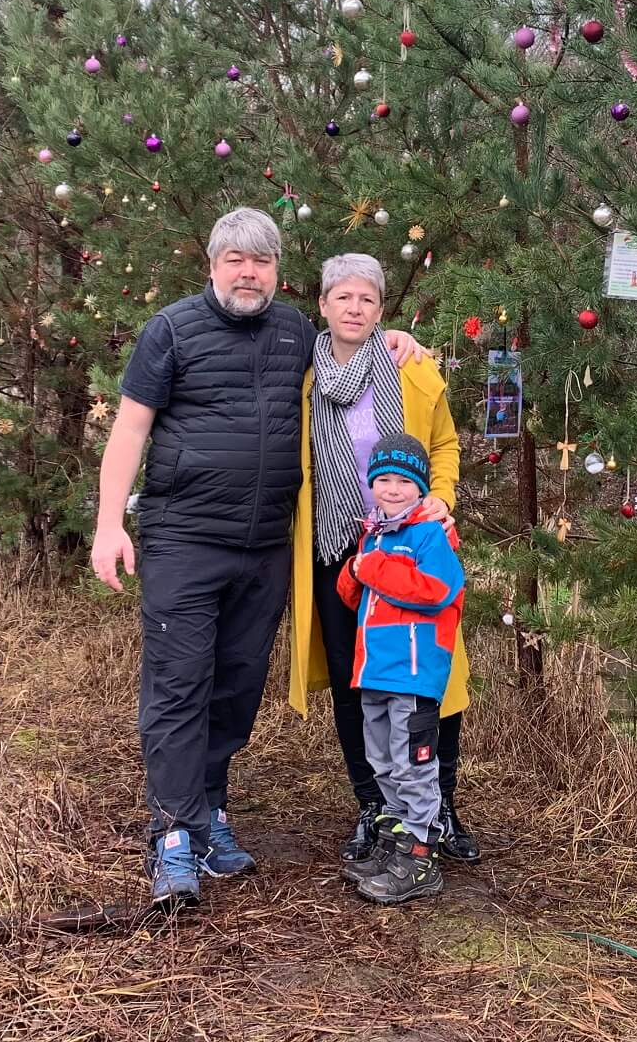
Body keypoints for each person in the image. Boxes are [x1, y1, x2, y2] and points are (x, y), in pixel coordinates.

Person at [88, 209, 434, 909]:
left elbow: (351, 350)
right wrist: (107, 524)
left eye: (262, 262)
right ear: (212, 264)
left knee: (238, 687)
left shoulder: (293, 337)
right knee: (180, 683)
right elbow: (130, 428)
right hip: (184, 538)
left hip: (265, 547)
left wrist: (398, 336)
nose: (249, 273)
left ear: (277, 272)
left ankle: (210, 809)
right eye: (235, 260)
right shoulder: (171, 331)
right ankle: (174, 831)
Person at [286, 254, 481, 864]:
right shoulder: (303, 377)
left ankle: (438, 806)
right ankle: (375, 805)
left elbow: (445, 443)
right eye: (342, 297)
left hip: (407, 544)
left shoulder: (411, 368)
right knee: (355, 680)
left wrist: (441, 499)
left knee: (429, 678)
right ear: (322, 305)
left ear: (380, 309)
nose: (354, 308)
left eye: (366, 299)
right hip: (334, 551)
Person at [335, 432, 465, 904]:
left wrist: (370, 568)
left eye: (403, 481)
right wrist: (353, 573)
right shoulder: (373, 534)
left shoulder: (431, 533)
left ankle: (420, 854)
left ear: (420, 487)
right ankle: (393, 842)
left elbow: (438, 589)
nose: (391, 489)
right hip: (373, 670)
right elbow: (356, 595)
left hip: (412, 672)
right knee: (383, 762)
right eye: (383, 479)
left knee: (413, 766)